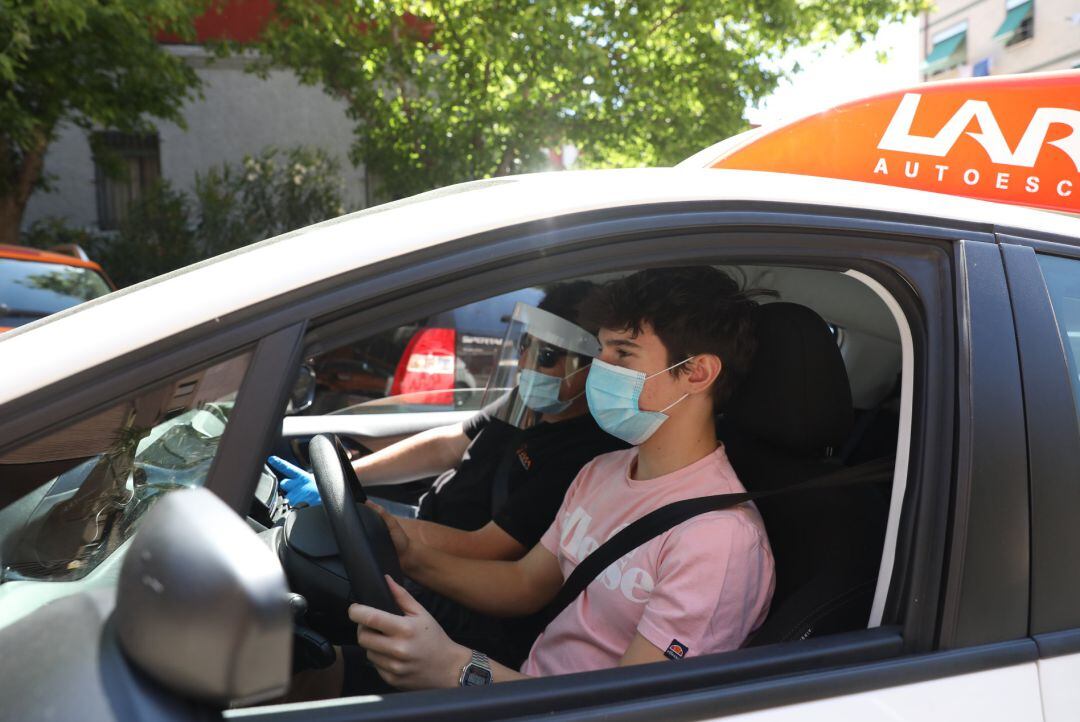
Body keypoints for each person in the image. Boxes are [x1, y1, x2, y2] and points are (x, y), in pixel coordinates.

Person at [343, 266, 776, 691]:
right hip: (523, 685)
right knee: (322, 663)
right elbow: (526, 583)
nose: (600, 368)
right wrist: (409, 554)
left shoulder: (719, 540)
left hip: (546, 704)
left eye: (623, 353)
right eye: (601, 350)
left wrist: (455, 668)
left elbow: (631, 707)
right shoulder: (603, 471)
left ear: (697, 373)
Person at [273, 281, 627, 663]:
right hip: (422, 536)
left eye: (548, 356)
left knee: (310, 642)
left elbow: (486, 547)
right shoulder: (529, 403)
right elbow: (449, 443)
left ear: (594, 369)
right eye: (526, 345)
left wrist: (367, 520)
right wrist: (349, 479)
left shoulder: (584, 453)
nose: (527, 363)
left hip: (461, 589)